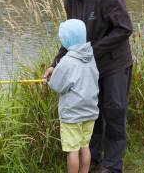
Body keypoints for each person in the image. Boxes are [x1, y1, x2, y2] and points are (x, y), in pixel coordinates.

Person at [44, 0, 133, 173]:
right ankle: (91, 160)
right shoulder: (71, 3)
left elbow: (125, 28)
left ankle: (112, 165)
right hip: (88, 69)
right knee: (91, 112)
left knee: (114, 111)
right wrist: (55, 63)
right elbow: (71, 39)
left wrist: (92, 51)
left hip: (114, 65)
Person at [48, 19, 99, 173]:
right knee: (85, 147)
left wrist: (49, 80)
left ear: (67, 39)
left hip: (72, 115)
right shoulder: (90, 56)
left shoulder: (67, 61)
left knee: (72, 151)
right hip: (90, 112)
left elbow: (57, 86)